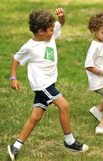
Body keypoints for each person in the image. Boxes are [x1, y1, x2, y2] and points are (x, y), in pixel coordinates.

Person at [8, 8, 89, 161]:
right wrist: (13, 77)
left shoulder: (49, 36)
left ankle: (16, 146)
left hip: (48, 83)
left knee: (35, 117)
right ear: (40, 31)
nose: (54, 31)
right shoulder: (29, 46)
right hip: (42, 85)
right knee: (64, 106)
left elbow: (61, 23)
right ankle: (69, 141)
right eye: (51, 30)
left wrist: (62, 17)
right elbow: (16, 59)